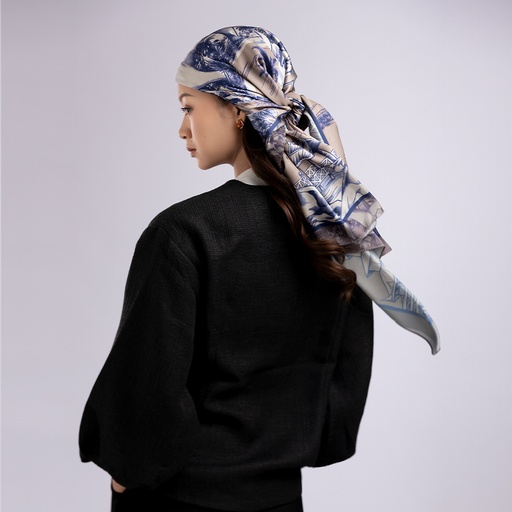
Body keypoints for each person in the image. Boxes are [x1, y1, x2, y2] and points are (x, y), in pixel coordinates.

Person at [79, 26, 438, 512]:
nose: (182, 129)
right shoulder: (332, 233)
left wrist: (125, 471)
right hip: (280, 499)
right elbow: (346, 367)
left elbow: (145, 382)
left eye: (188, 107)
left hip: (181, 498)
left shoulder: (184, 233)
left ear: (237, 110)